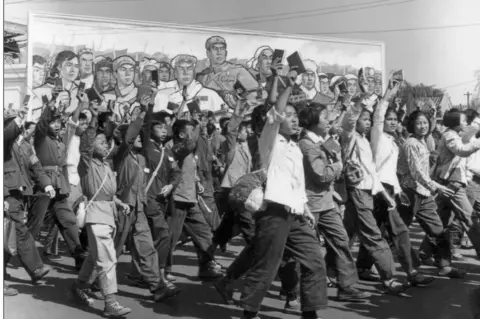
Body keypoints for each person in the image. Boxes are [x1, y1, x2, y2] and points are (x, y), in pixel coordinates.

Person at [235, 71, 327, 319]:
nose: (294, 121)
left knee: (315, 260)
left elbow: (297, 184)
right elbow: (274, 113)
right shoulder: (269, 141)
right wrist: (291, 84)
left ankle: (310, 312)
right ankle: (250, 312)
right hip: (273, 212)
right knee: (267, 265)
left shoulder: (296, 147)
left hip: (295, 213)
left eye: (296, 117)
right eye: (289, 116)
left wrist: (306, 210)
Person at [355, 82, 435, 287]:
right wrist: (388, 95)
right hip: (377, 190)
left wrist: (399, 191)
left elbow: (391, 171)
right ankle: (410, 272)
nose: (392, 122)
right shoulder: (377, 136)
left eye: (395, 119)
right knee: (400, 232)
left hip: (390, 190)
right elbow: (379, 115)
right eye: (388, 119)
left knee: (378, 232)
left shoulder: (393, 141)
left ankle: (362, 267)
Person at [298, 104, 371, 301]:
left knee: (341, 241)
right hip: (310, 204)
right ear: (313, 121)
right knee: (302, 251)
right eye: (324, 117)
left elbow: (340, 154)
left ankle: (346, 286)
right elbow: (322, 174)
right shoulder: (306, 144)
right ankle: (291, 290)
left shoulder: (324, 140)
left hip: (327, 202)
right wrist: (338, 166)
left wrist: (339, 158)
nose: (329, 120)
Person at [112, 97, 178, 302]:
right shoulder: (122, 154)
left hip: (138, 208)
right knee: (112, 250)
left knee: (146, 247)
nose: (141, 138)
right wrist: (143, 110)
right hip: (122, 208)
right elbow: (130, 137)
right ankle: (86, 282)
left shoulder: (141, 157)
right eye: (137, 136)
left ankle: (157, 286)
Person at [69, 105, 132, 317]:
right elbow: (85, 144)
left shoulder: (106, 165)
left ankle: (80, 285)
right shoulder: (86, 164)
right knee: (107, 259)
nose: (106, 146)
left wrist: (118, 203)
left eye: (107, 143)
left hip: (109, 214)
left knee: (96, 257)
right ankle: (110, 303)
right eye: (102, 142)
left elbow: (107, 192)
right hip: (96, 216)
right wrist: (95, 117)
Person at [341, 92, 406, 294]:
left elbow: (372, 174)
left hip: (366, 193)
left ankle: (332, 273)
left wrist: (387, 196)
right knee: (374, 236)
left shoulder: (365, 141)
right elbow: (350, 121)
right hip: (357, 192)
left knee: (341, 238)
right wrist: (362, 102)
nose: (368, 123)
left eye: (369, 120)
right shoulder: (350, 137)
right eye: (365, 119)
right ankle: (388, 278)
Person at [402, 110, 466, 277]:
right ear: (412, 125)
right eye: (418, 123)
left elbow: (426, 170)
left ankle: (444, 265)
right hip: (408, 193)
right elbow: (416, 172)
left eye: (425, 123)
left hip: (424, 193)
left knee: (438, 230)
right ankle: (366, 265)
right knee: (396, 233)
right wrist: (436, 186)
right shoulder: (411, 144)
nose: (423, 126)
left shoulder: (423, 141)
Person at [28, 95, 86, 269]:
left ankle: (79, 257)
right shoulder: (41, 138)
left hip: (60, 186)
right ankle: (18, 258)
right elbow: (42, 125)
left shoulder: (61, 140)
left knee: (69, 221)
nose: (56, 125)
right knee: (34, 225)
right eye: (53, 123)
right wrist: (50, 107)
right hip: (44, 186)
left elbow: (72, 123)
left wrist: (80, 105)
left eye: (58, 123)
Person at [164, 117, 223, 280]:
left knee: (204, 233)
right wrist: (198, 126)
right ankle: (163, 270)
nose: (194, 135)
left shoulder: (189, 150)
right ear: (182, 135)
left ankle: (206, 266)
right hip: (176, 199)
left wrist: (197, 181)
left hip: (191, 198)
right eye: (190, 132)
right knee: (171, 237)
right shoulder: (173, 147)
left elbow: (191, 168)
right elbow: (189, 145)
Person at [4, 106, 51, 296]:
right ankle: (36, 269)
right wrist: (16, 120)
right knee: (18, 233)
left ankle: (34, 272)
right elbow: (7, 133)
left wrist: (47, 184)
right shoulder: (5, 141)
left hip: (19, 194)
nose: (23, 126)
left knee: (8, 237)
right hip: (7, 195)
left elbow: (36, 166)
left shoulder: (24, 145)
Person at [434, 109, 480, 259]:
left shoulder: (455, 134)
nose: (466, 123)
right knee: (469, 218)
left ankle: (425, 252)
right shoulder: (449, 136)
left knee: (440, 220)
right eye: (463, 121)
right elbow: (462, 151)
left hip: (453, 182)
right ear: (455, 123)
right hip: (452, 182)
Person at [197, 36, 259, 108]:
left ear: (226, 52)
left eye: (222, 49)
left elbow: (255, 97)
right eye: (215, 49)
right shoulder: (202, 77)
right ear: (208, 53)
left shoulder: (238, 70)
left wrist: (239, 106)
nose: (219, 52)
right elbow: (197, 99)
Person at [154, 54, 225, 115]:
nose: (186, 72)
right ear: (175, 73)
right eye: (181, 68)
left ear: (194, 73)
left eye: (189, 68)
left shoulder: (210, 95)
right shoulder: (162, 95)